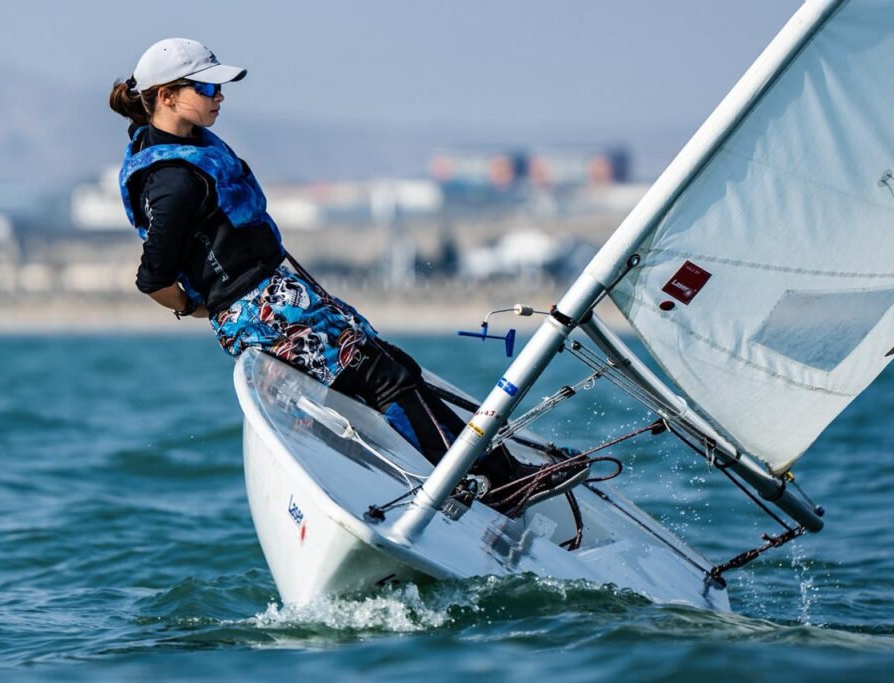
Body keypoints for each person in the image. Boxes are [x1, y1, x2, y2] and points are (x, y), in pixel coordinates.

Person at [108, 38, 586, 514]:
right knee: (387, 380)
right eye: (208, 88)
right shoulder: (171, 182)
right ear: (167, 96)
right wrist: (196, 307)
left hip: (283, 296)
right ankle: (493, 486)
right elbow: (153, 278)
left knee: (396, 368)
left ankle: (498, 472)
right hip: (262, 314)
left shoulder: (183, 147)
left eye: (220, 88)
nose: (220, 97)